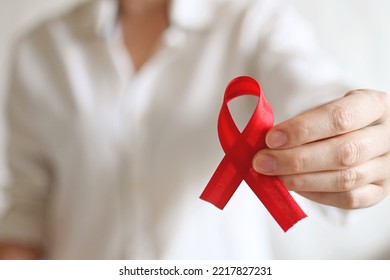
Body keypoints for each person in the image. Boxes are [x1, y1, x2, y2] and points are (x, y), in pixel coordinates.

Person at [0, 0, 389, 259]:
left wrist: (351, 132)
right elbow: (29, 207)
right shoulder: (40, 49)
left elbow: (310, 87)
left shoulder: (252, 20)